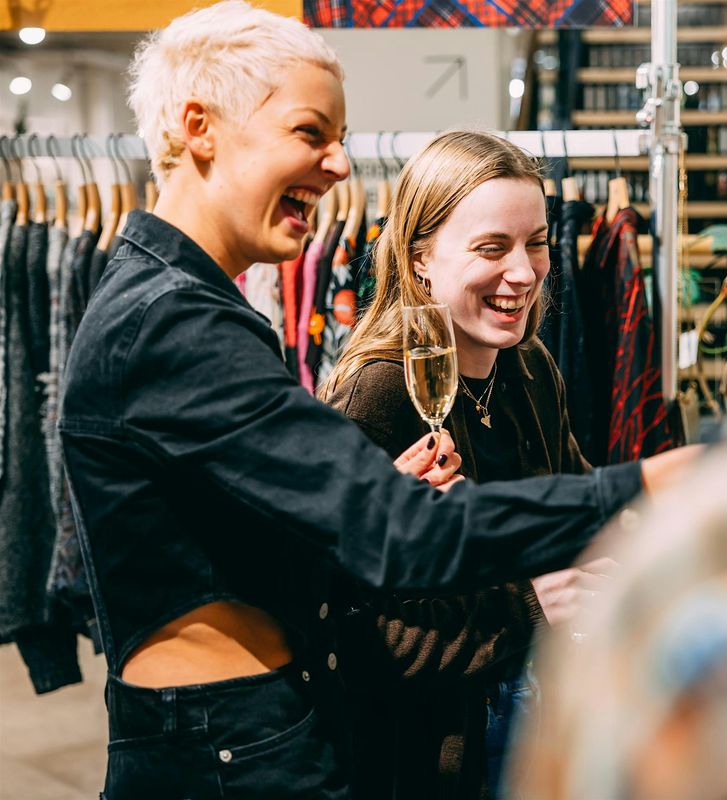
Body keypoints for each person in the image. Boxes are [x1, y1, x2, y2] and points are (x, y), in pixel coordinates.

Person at [58, 4, 692, 797]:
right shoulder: (172, 323)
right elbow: (394, 543)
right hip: (225, 744)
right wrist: (636, 487)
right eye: (309, 132)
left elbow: (246, 554)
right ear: (200, 128)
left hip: (240, 729)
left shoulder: (191, 306)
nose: (338, 165)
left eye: (339, 139)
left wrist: (361, 506)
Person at [321, 130, 617, 798]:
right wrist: (530, 604)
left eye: (536, 242)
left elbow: (571, 502)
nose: (524, 271)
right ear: (421, 257)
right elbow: (353, 631)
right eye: (492, 247)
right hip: (430, 760)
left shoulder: (529, 366)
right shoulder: (383, 392)